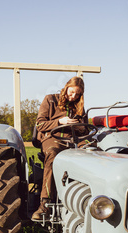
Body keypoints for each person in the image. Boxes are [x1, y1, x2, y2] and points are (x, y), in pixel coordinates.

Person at [32, 76, 88, 220]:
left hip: (74, 139)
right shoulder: (50, 100)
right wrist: (59, 121)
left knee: (92, 152)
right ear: (66, 87)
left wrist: (80, 127)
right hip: (53, 139)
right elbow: (40, 125)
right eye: (72, 92)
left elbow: (86, 130)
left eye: (77, 94)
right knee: (53, 154)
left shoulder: (79, 107)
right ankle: (45, 204)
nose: (73, 96)